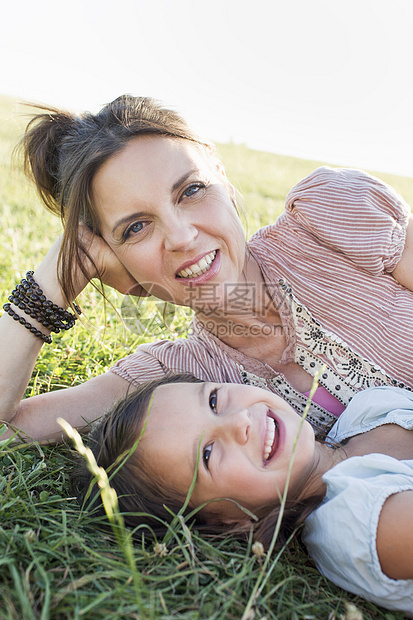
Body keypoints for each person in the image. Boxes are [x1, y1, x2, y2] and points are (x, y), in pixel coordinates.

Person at [1, 94, 413, 443]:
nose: (180, 236)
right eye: (136, 228)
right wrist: (50, 286)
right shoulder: (176, 380)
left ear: (223, 180)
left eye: (191, 190)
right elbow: (8, 428)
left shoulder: (328, 215)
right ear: (116, 268)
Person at [72, 374, 413, 616]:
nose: (239, 422)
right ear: (230, 521)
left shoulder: (369, 409)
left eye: (214, 400)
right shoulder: (358, 522)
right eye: (207, 454)